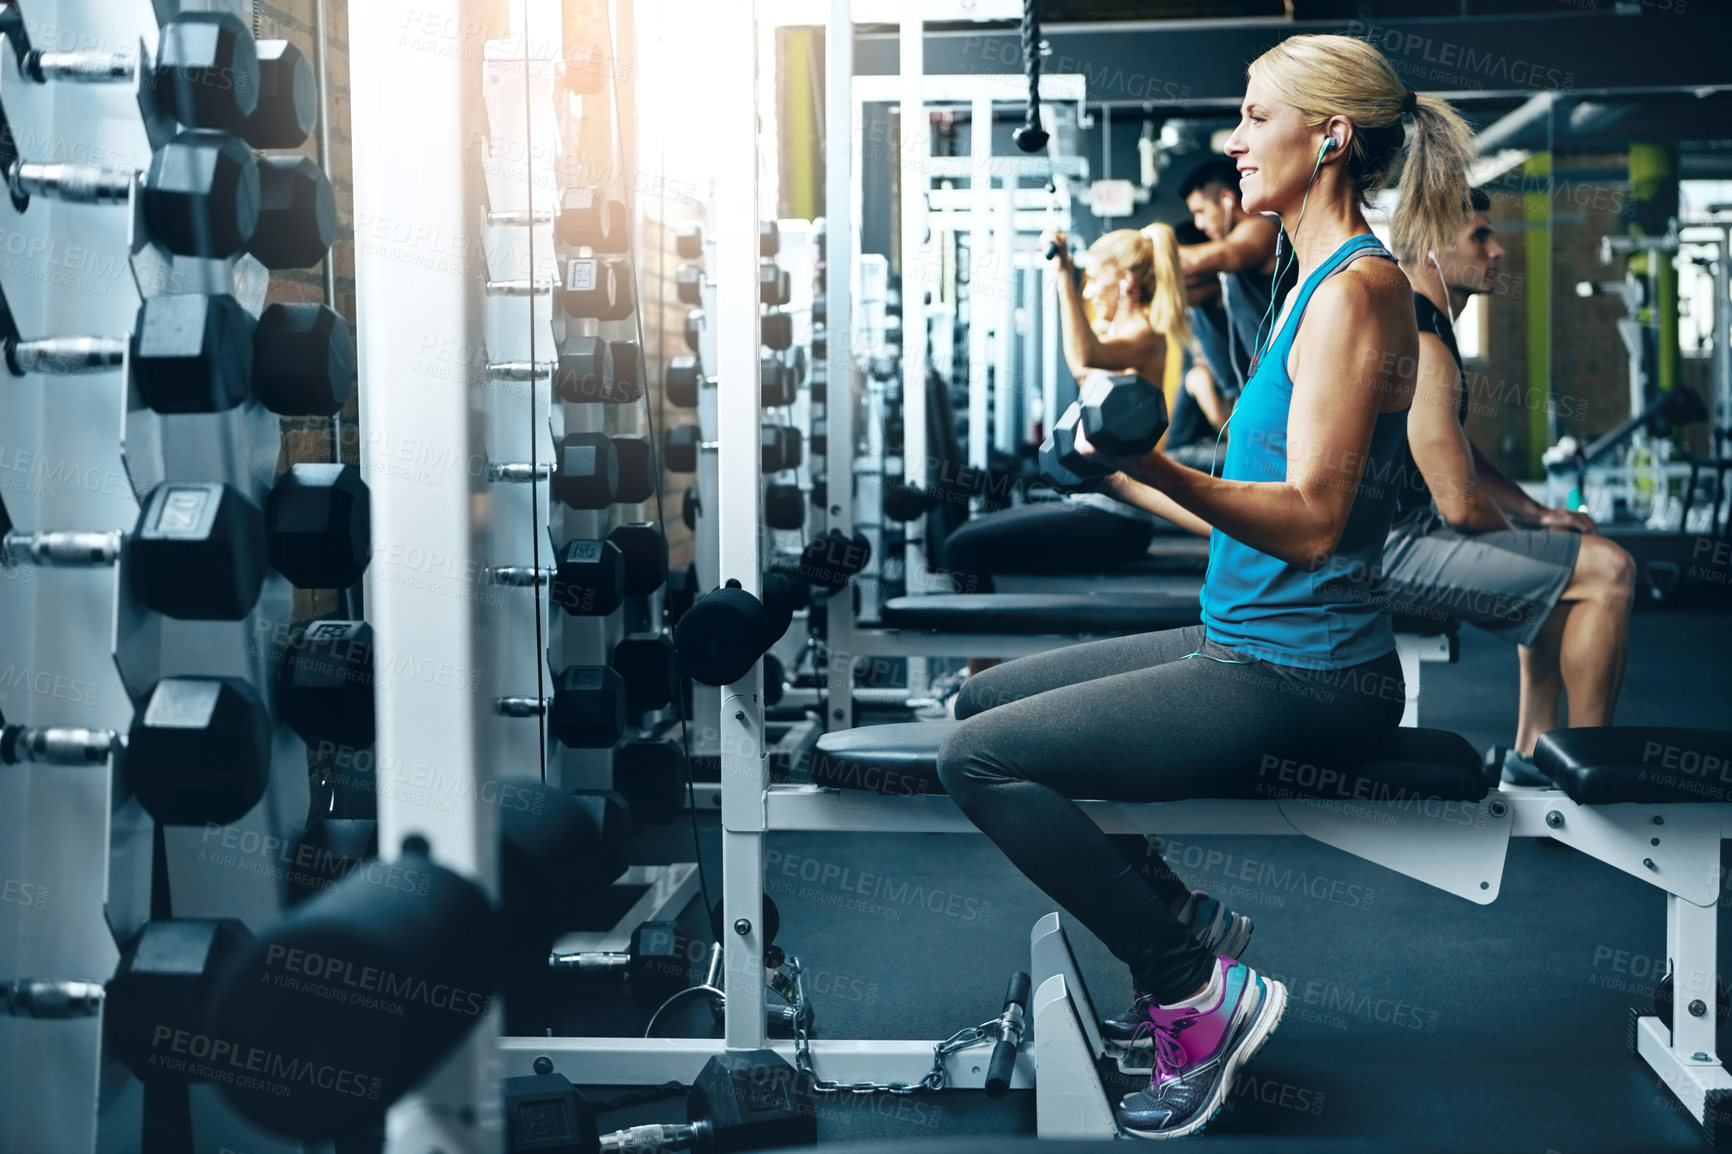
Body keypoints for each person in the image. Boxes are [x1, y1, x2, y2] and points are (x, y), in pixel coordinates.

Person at [935, 33, 1474, 1139]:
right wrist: (1124, 477)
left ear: (1329, 136)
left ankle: (1190, 983)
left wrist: (1156, 462)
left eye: (1251, 115)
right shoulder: (1303, 282)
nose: (1231, 141)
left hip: (1304, 672)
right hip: (1247, 637)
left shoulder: (1357, 293)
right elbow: (1239, 494)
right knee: (979, 704)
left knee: (974, 761)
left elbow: (1317, 524)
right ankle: (1174, 912)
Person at [1376, 188, 1637, 785]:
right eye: (1480, 238)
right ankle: (1589, 775)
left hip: (1405, 538)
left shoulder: (1429, 326)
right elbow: (1461, 507)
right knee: (1608, 570)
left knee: (1558, 571)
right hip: (1388, 552)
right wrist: (1523, 533)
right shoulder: (1425, 344)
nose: (1498, 250)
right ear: (1431, 249)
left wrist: (1538, 515)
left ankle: (1531, 757)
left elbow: (1459, 452)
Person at [939, 225, 1203, 605]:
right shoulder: (1118, 336)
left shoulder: (1147, 337)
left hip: (1116, 521)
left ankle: (981, 665)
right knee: (964, 541)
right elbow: (1085, 364)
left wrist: (1064, 274)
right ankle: (980, 662)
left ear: (1126, 281)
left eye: (1094, 280)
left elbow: (1084, 356)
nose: (1089, 291)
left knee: (963, 547)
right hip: (1098, 510)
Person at [1177, 158, 1293, 397]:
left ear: (1227, 199)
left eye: (1201, 211)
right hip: (1268, 380)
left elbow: (1214, 257)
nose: (1198, 224)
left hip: (1289, 378)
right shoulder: (1234, 241)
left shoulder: (1263, 226)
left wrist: (1144, 250)